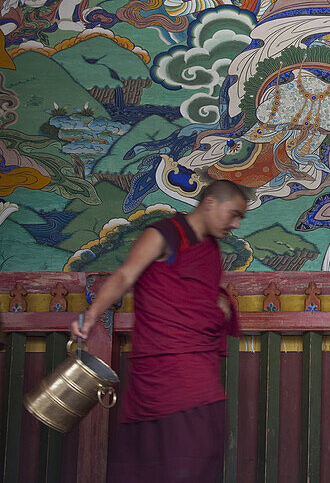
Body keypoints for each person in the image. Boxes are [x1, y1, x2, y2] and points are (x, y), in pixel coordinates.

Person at [70, 179, 249, 482]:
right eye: (232, 214)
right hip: (160, 370)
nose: (235, 224)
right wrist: (91, 316)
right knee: (158, 461)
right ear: (210, 203)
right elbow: (125, 275)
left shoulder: (210, 249)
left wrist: (217, 301)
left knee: (199, 456)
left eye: (239, 218)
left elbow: (195, 292)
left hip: (197, 371)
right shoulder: (164, 235)